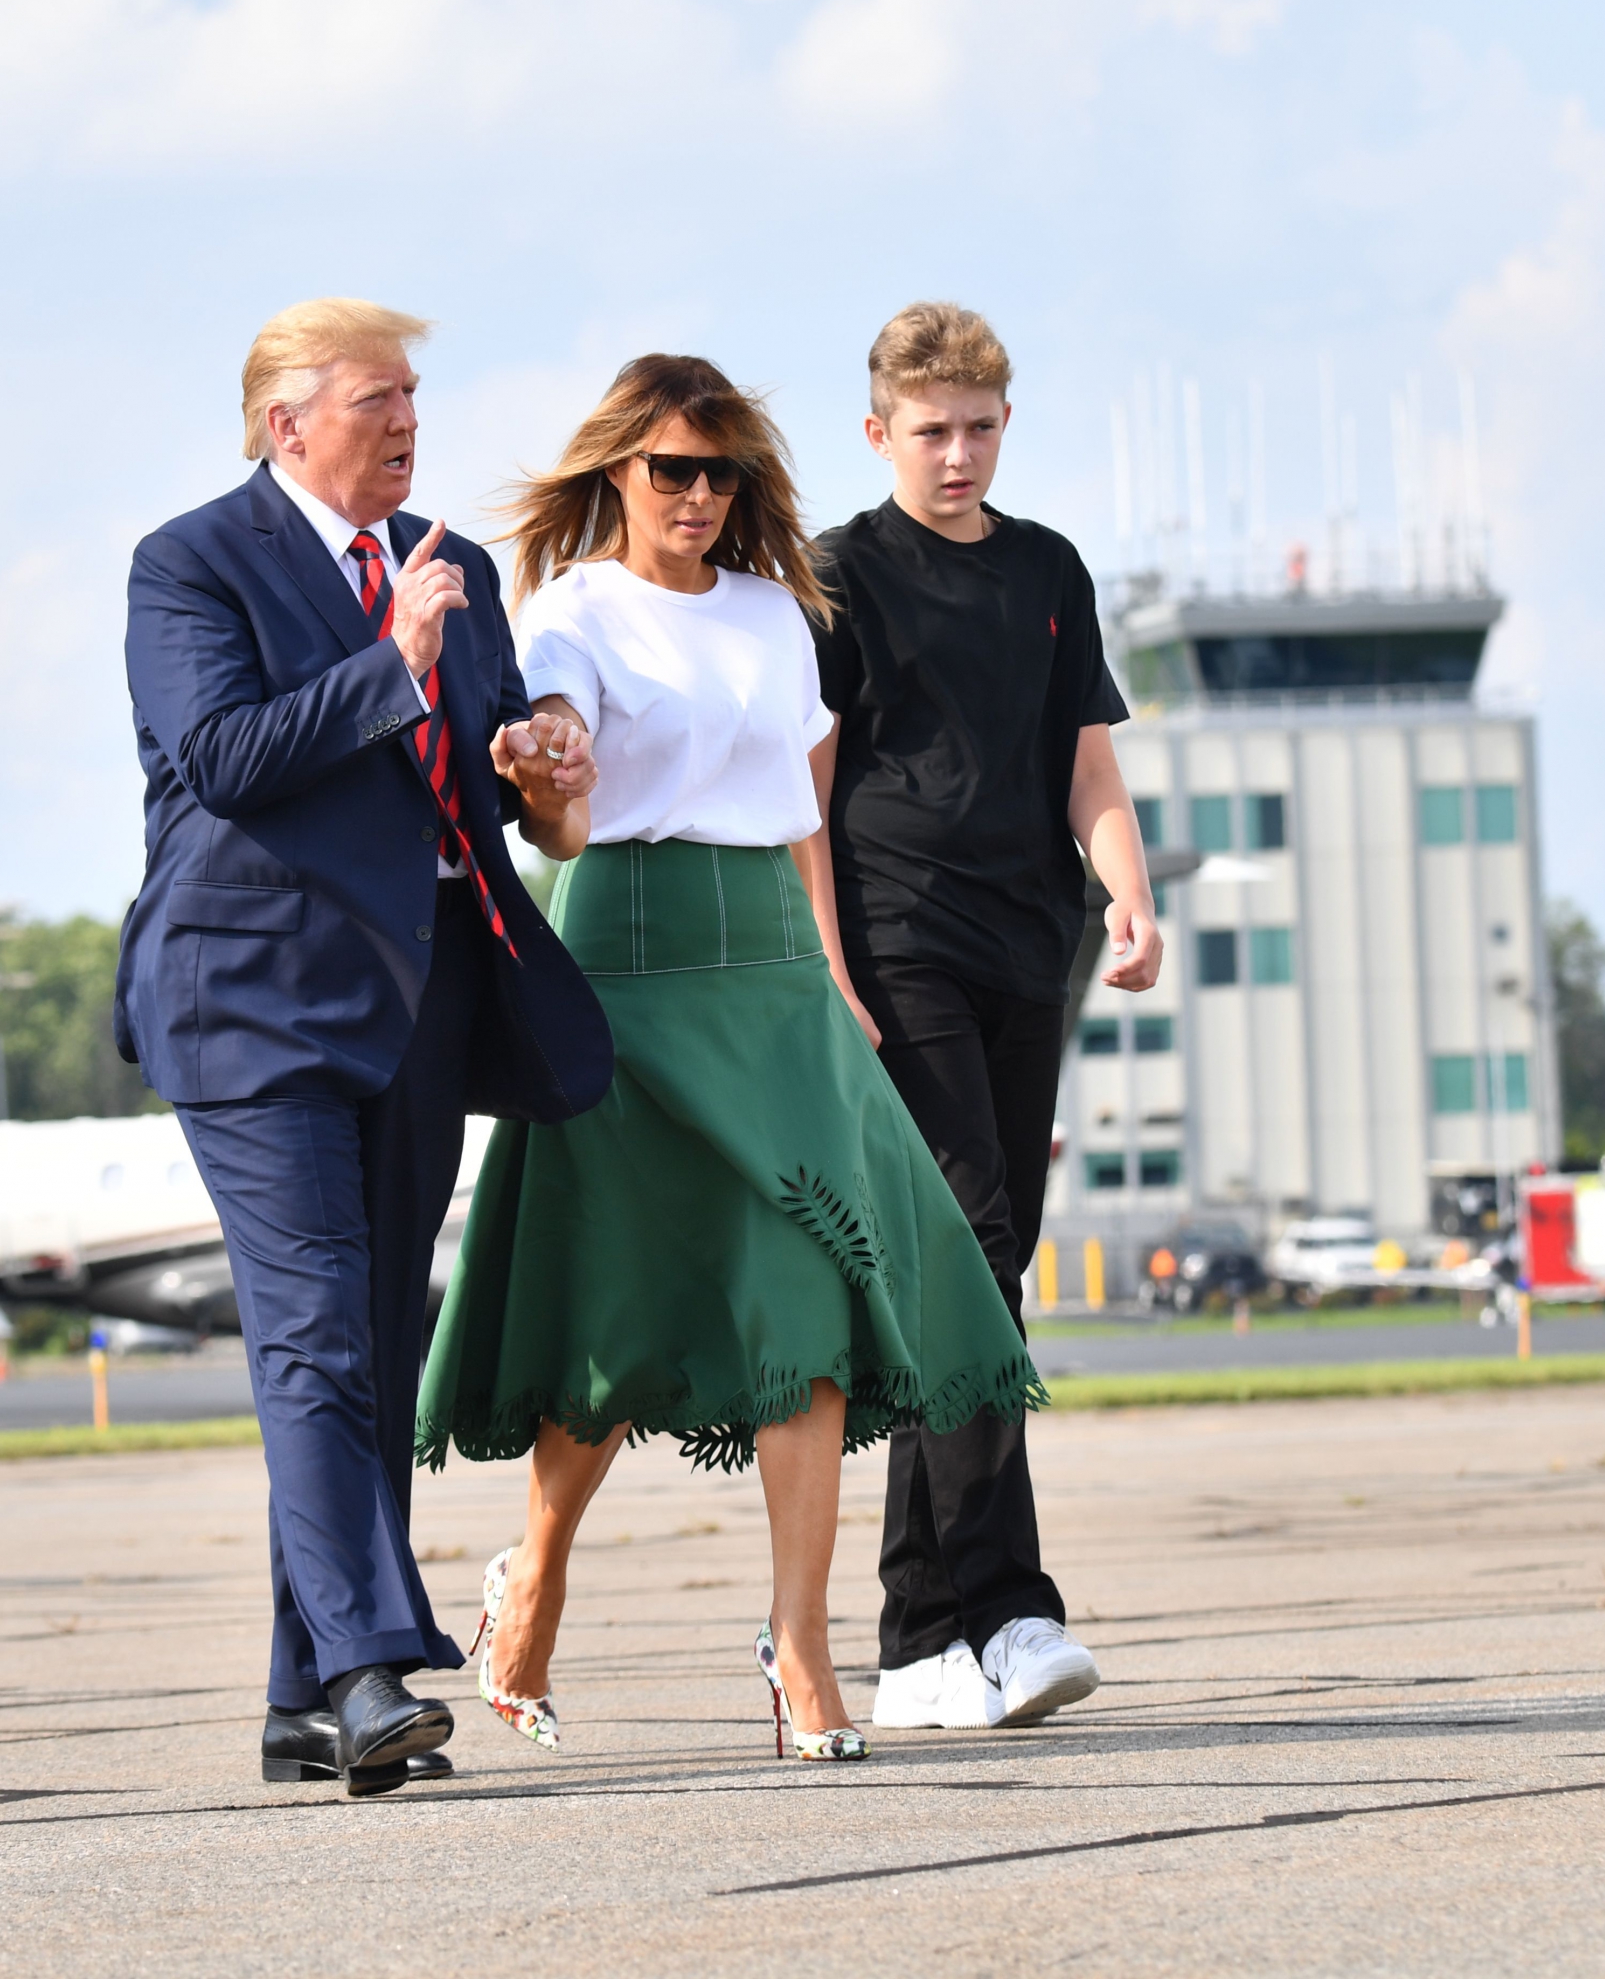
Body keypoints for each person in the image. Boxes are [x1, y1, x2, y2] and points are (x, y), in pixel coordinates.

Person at [414, 354, 1046, 1765]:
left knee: (802, 1310)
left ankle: (805, 1656)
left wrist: (832, 965)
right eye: (669, 472)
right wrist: (549, 758)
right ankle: (537, 1569)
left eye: (720, 474)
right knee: (620, 1320)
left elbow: (803, 803)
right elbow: (556, 782)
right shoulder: (573, 609)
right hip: (627, 958)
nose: (697, 497)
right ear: (617, 476)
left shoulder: (778, 613)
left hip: (770, 970)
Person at [113, 298, 613, 1798]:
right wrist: (392, 663)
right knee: (318, 1327)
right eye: (377, 399)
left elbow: (475, 760)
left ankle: (295, 1696)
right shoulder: (191, 564)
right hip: (250, 1002)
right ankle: (368, 1667)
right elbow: (226, 759)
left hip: (419, 999)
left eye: (414, 398)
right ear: (287, 423)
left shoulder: (448, 570)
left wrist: (535, 752)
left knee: (375, 1347)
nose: (407, 422)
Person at [807, 302, 1165, 1732]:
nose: (957, 455)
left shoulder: (1048, 570)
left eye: (980, 428)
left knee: (979, 1273)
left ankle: (914, 1639)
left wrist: (1128, 898)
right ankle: (1009, 1609)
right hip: (900, 938)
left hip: (1034, 940)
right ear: (880, 428)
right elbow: (808, 796)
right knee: (970, 1239)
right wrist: (830, 966)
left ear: (1005, 424)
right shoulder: (839, 576)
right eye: (931, 430)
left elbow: (1086, 762)